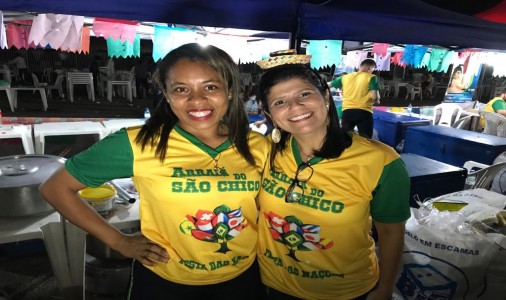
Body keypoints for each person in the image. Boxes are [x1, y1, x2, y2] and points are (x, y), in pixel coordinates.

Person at [39, 43, 269, 299]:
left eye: (210, 87)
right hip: (165, 280)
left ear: (229, 91)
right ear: (167, 94)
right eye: (181, 89)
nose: (196, 99)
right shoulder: (138, 143)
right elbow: (56, 188)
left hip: (243, 277)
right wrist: (119, 241)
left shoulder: (257, 146)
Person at [256, 63, 410, 300]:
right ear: (269, 114)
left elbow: (391, 233)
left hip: (345, 291)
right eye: (280, 102)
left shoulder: (381, 161)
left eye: (304, 94)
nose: (295, 107)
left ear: (326, 96)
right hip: (273, 285)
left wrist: (386, 288)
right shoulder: (265, 151)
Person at [329, 58, 380, 138]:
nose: (372, 71)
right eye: (373, 69)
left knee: (345, 139)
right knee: (366, 140)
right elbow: (375, 97)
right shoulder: (371, 77)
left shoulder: (345, 77)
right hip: (364, 112)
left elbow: (327, 85)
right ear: (370, 68)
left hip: (347, 112)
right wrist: (377, 101)